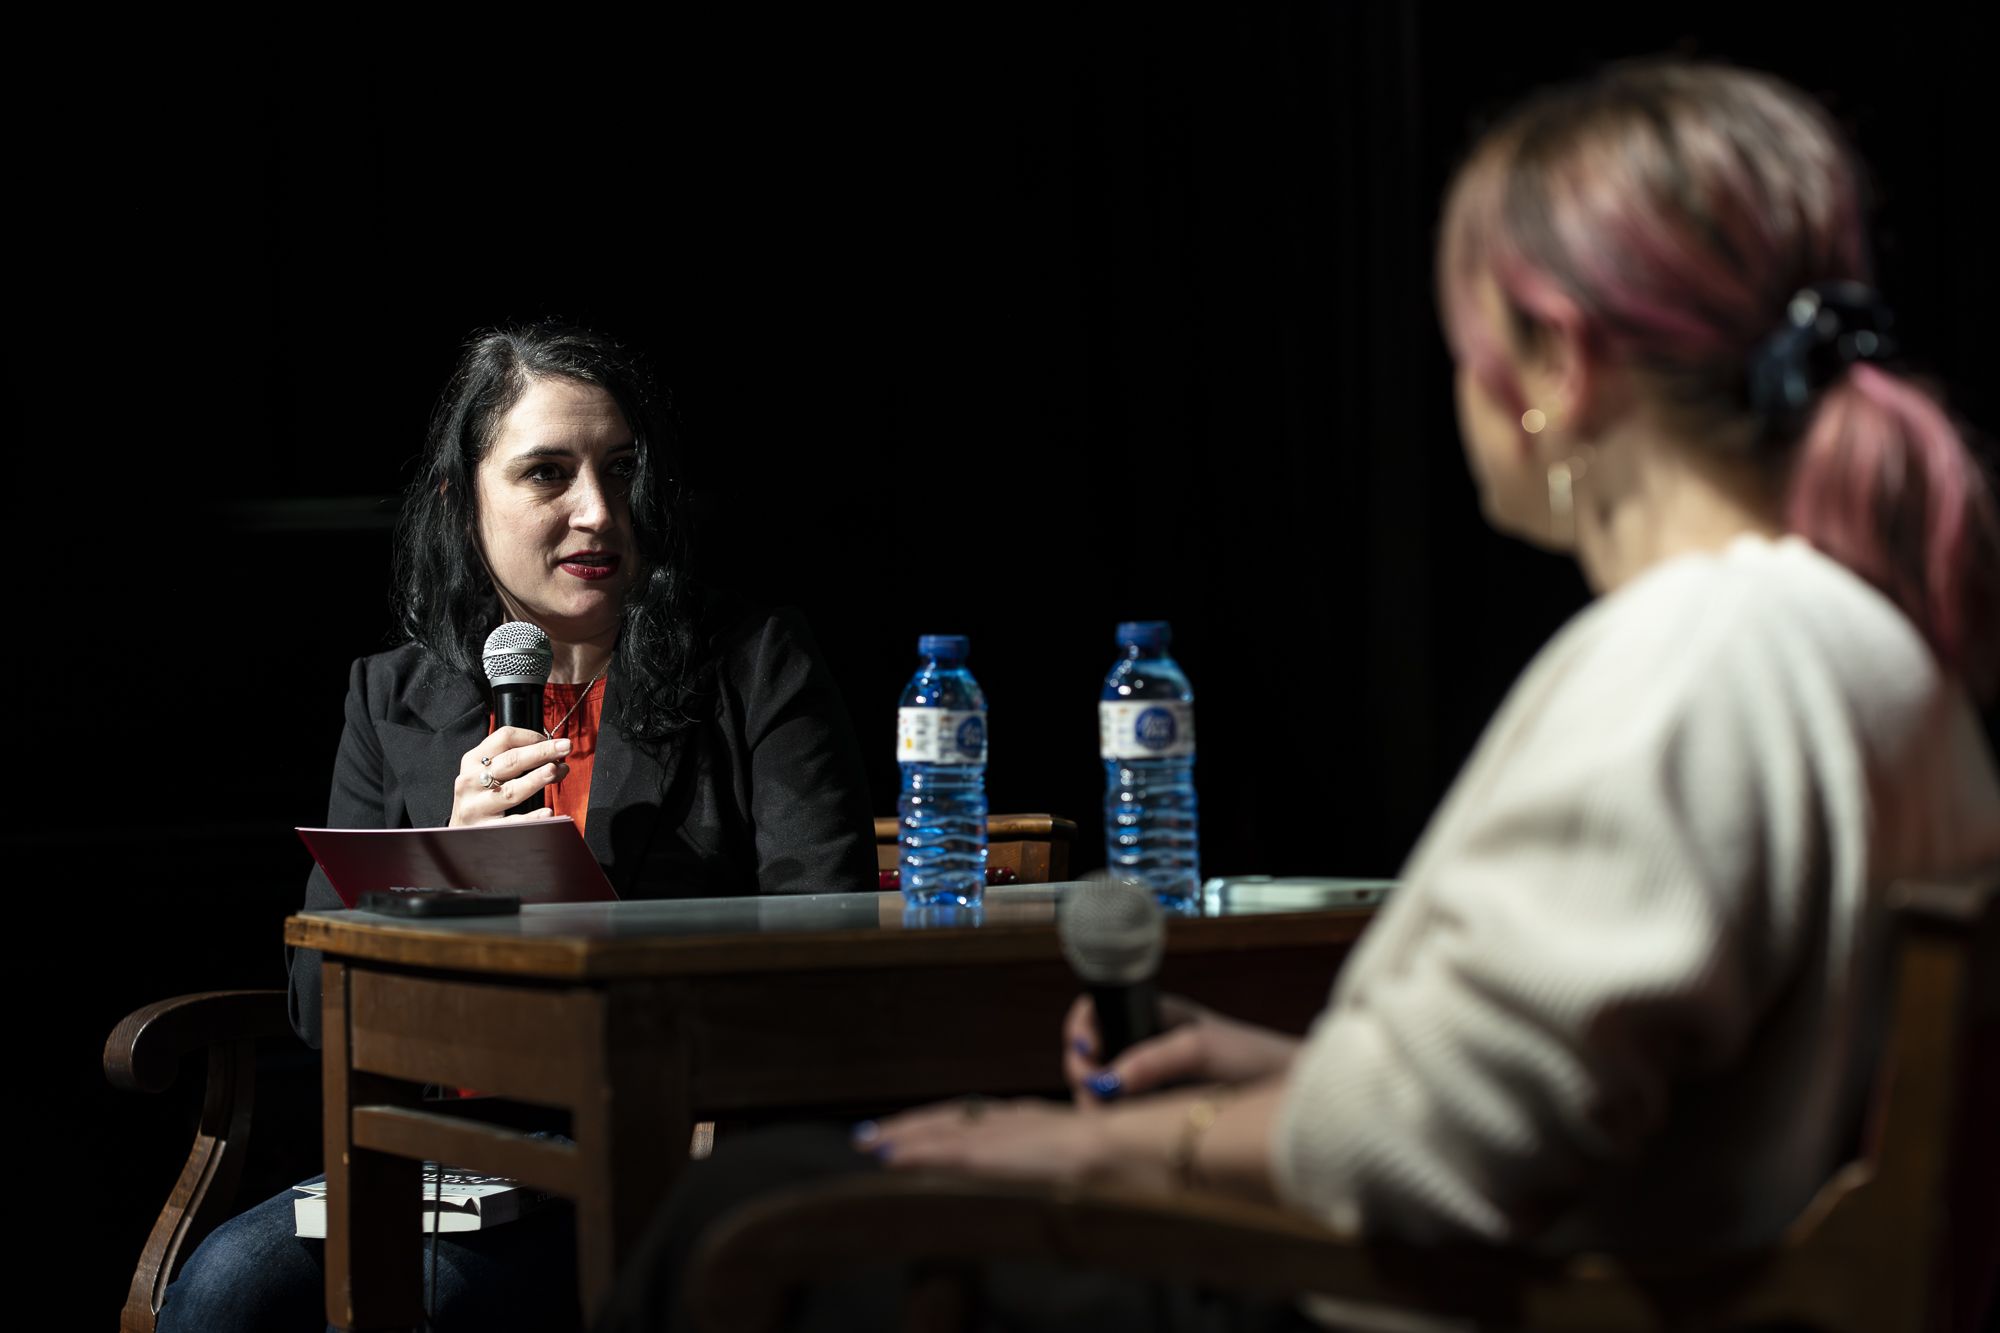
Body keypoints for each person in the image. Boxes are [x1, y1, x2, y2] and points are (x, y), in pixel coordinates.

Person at [597, 59, 2000, 1332]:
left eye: (1465, 342)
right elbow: (1573, 1102)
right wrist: (1283, 1070)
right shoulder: (1864, 647)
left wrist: (1092, 1148)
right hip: (1545, 1270)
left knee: (747, 1210)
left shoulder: (1698, 656)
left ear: (1557, 368)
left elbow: (1431, 1154)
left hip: (1385, 1302)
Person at [157, 323, 879, 1332]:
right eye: (548, 473)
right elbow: (319, 1007)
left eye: (620, 469)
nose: (599, 510)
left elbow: (829, 943)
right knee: (221, 1292)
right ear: (464, 503)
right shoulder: (390, 698)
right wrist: (441, 870)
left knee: (443, 1301)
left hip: (662, 1142)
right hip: (446, 1151)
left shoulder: (755, 666)